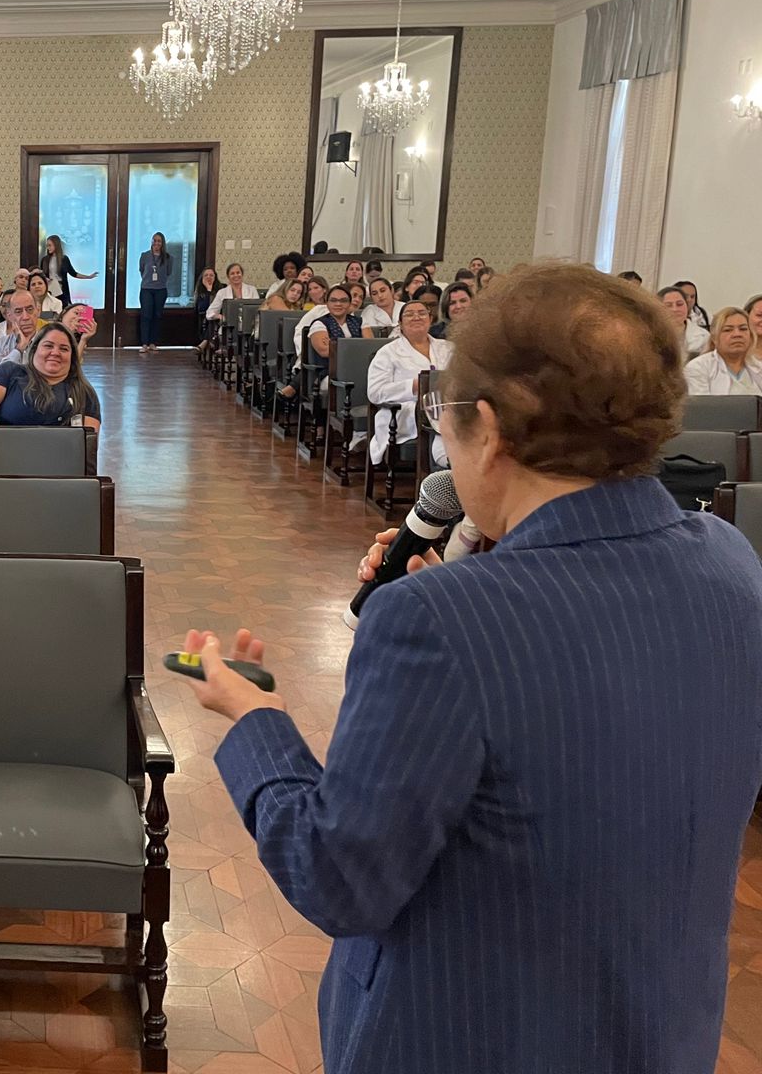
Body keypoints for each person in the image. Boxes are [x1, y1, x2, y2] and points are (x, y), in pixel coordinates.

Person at [187, 263, 762, 1074]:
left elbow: (338, 877)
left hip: (464, 1034)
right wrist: (481, 571)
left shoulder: (437, 622)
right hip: (658, 1033)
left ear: (487, 429)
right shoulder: (733, 563)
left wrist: (254, 722)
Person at [365, 299, 451, 467]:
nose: (416, 317)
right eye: (409, 314)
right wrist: (414, 386)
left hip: (448, 407)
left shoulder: (448, 348)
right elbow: (375, 392)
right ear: (400, 323)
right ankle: (446, 463)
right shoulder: (388, 353)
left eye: (422, 313)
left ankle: (452, 465)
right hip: (406, 411)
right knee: (438, 414)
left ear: (430, 319)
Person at [0, 323, 101, 431]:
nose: (55, 352)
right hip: (3, 452)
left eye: (64, 349)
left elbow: (88, 442)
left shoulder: (85, 392)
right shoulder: (9, 372)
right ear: (35, 349)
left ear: (72, 356)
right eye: (48, 346)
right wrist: (0, 445)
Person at [685, 307, 762, 395]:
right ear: (714, 338)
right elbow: (702, 403)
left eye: (743, 329)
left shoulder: (758, 367)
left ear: (751, 335)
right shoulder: (698, 368)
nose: (737, 334)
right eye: (728, 330)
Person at [0, 290, 42, 372]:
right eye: (18, 312)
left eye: (30, 309)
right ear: (9, 315)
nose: (25, 317)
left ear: (38, 311)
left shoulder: (50, 344)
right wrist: (18, 349)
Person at [137, 232, 171, 351]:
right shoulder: (145, 255)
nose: (156, 243)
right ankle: (144, 343)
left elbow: (168, 272)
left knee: (157, 315)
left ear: (162, 243)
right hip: (146, 289)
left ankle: (153, 342)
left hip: (160, 290)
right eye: (154, 240)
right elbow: (142, 270)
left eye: (159, 241)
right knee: (146, 315)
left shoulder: (167, 257)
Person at [659, 285, 710, 358]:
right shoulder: (649, 335)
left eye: (679, 304)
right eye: (668, 305)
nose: (675, 309)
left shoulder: (704, 336)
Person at [41, 234, 92, 301]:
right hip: (49, 289)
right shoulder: (45, 260)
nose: (48, 248)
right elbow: (42, 274)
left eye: (50, 245)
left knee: (63, 305)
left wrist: (88, 277)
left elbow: (73, 273)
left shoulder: (64, 259)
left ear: (56, 245)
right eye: (47, 246)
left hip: (62, 288)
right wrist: (45, 279)